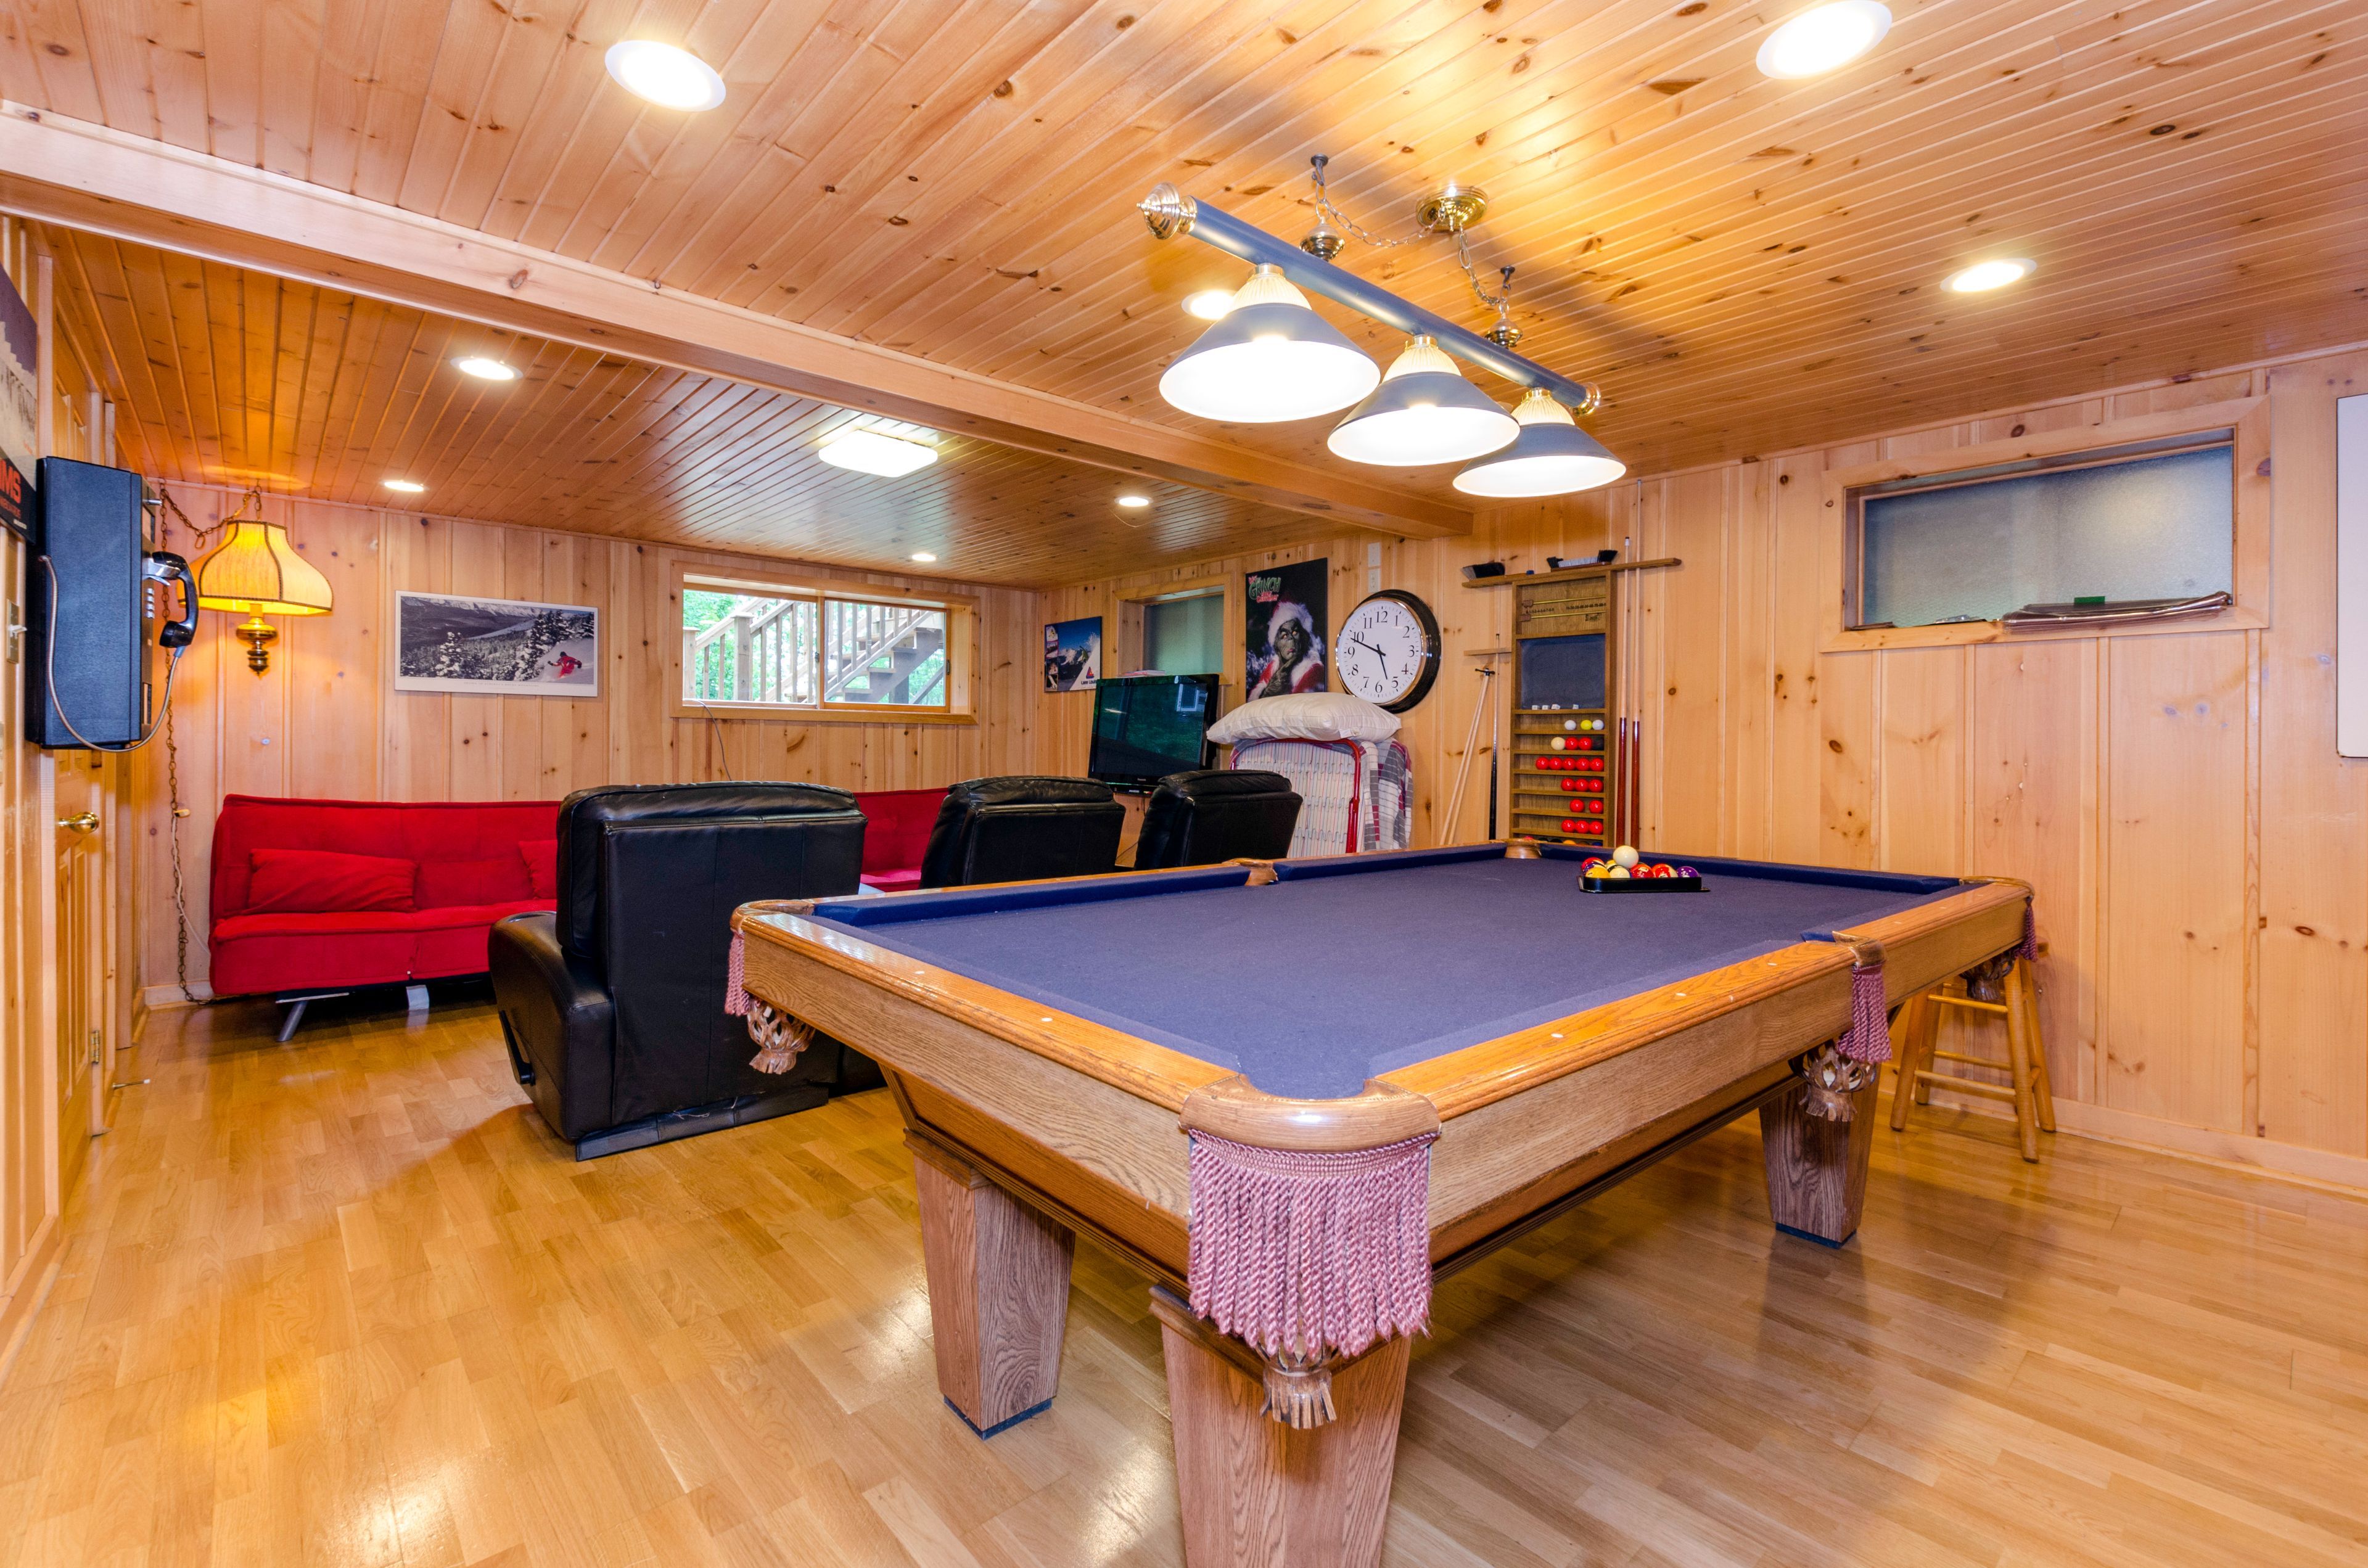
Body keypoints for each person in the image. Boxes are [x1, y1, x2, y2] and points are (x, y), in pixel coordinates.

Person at [1248, 599, 1325, 697]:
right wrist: (1269, 691)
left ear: (1304, 637)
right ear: (1277, 646)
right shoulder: (1273, 666)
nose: (1291, 639)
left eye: (1295, 632)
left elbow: (1298, 705)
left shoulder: (1314, 670)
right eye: (1284, 635)